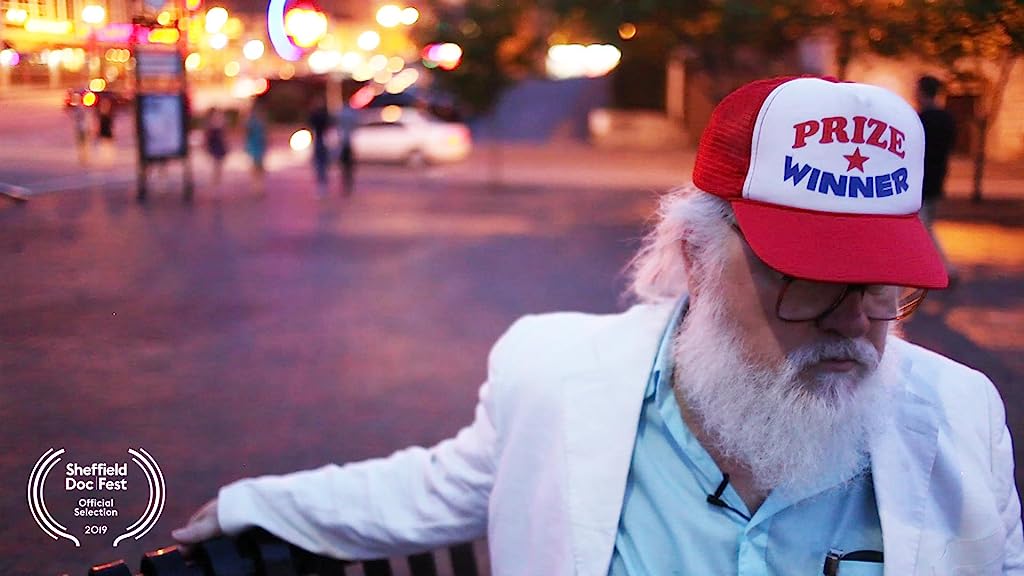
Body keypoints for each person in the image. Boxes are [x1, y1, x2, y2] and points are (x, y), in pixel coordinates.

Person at [172, 76, 1023, 574]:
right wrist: (258, 502)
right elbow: (433, 490)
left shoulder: (962, 413)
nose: (856, 327)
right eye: (807, 282)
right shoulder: (554, 372)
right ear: (693, 254)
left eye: (880, 286)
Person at [916, 74, 959, 284]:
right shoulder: (947, 119)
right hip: (938, 180)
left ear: (923, 92)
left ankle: (944, 270)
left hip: (921, 183)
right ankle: (944, 269)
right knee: (927, 227)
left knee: (923, 230)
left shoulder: (921, 120)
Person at [307, 95, 332, 195]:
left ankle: (322, 185)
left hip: (322, 141)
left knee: (321, 164)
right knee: (320, 164)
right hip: (319, 141)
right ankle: (321, 185)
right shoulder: (319, 115)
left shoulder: (321, 115)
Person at [244, 100, 268, 189]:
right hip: (254, 144)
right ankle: (256, 185)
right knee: (256, 165)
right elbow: (247, 132)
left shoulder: (260, 119)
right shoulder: (252, 120)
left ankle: (258, 185)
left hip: (259, 144)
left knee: (259, 165)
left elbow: (265, 132)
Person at [337, 99, 357, 197]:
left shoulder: (341, 114)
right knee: (348, 166)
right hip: (348, 143)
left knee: (345, 166)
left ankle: (346, 184)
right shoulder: (352, 114)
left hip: (344, 143)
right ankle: (348, 184)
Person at [204, 107, 229, 185]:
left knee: (218, 162)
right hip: (215, 144)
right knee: (216, 162)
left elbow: (224, 134)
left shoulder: (219, 121)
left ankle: (216, 178)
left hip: (218, 144)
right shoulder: (211, 123)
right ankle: (216, 178)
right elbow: (207, 135)